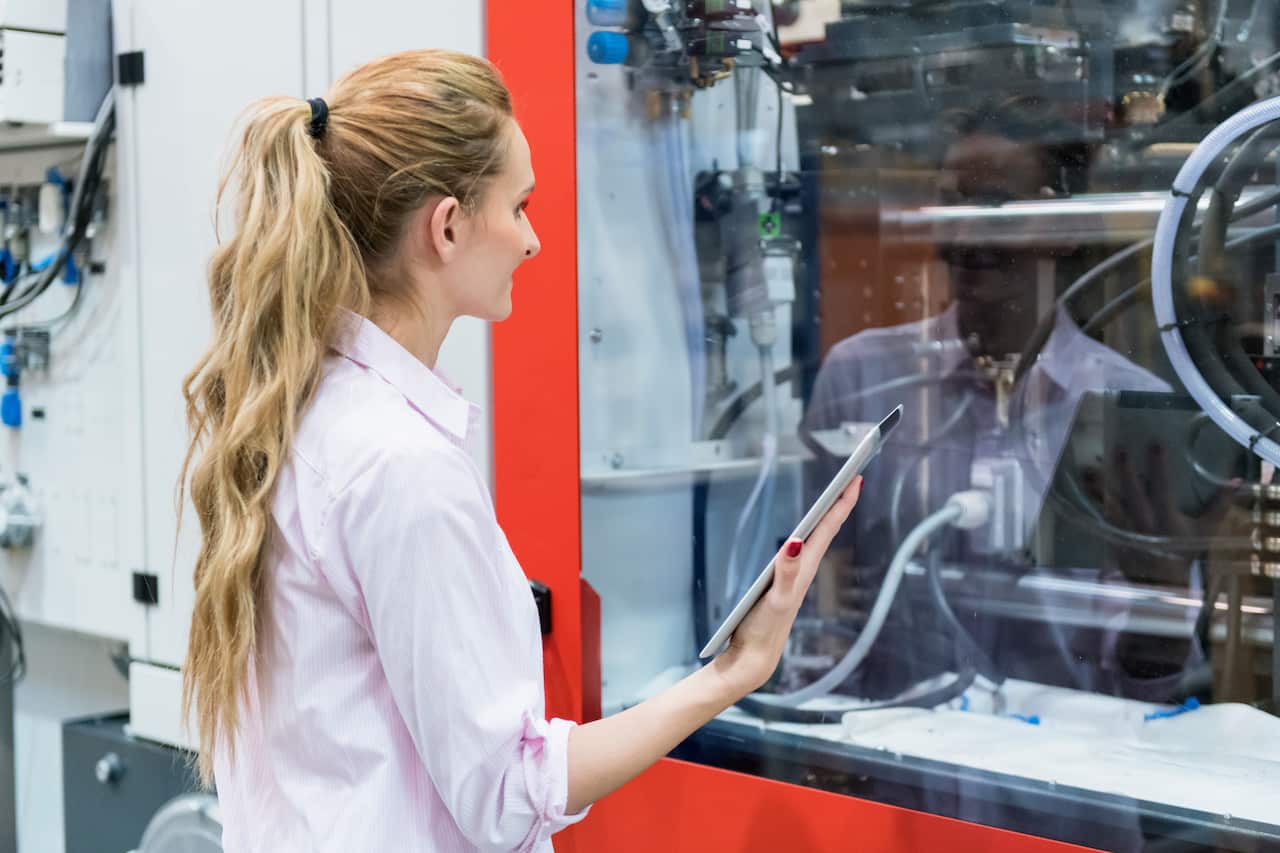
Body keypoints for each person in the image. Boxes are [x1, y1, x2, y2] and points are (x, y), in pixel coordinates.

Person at [177, 50, 861, 852]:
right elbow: (507, 794)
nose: (534, 242)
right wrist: (731, 674)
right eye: (521, 207)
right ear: (448, 226)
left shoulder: (306, 410)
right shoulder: (399, 464)